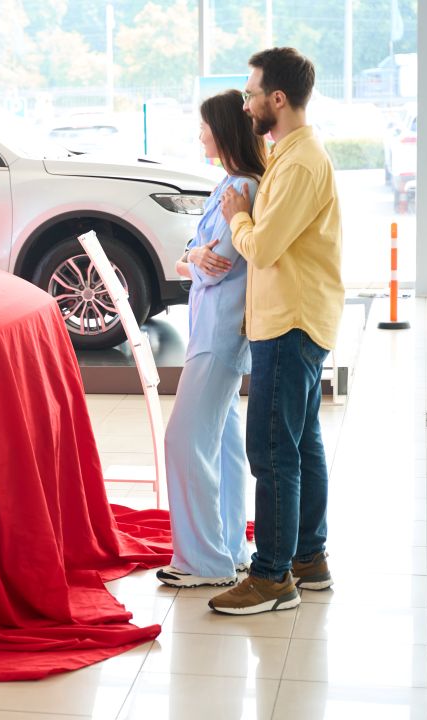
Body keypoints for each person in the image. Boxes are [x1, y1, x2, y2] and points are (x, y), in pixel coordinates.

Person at [210, 47, 344, 615]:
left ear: (277, 99)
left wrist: (237, 212)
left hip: (288, 321)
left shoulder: (299, 163)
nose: (247, 102)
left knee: (271, 453)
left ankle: (271, 578)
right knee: (302, 445)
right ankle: (309, 559)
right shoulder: (290, 155)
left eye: (251, 92)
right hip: (300, 316)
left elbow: (263, 247)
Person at [156, 90, 265, 589]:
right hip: (212, 325)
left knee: (184, 438)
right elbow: (192, 257)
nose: (198, 135)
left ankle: (202, 561)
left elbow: (216, 263)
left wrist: (195, 258)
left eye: (203, 127)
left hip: (219, 332)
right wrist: (195, 258)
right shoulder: (228, 185)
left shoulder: (242, 187)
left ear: (221, 131)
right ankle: (229, 549)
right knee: (221, 444)